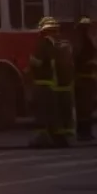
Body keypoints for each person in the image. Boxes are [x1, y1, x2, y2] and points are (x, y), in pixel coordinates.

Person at [28, 17, 61, 148]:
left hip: (42, 84)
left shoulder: (43, 44)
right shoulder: (54, 46)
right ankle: (55, 138)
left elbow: (39, 62)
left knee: (42, 113)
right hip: (52, 85)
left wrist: (30, 60)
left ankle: (43, 140)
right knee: (52, 113)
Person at [73, 17, 97, 142]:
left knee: (83, 108)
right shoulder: (84, 42)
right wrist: (92, 62)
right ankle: (84, 133)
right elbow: (82, 60)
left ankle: (83, 132)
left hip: (83, 79)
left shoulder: (80, 41)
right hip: (85, 80)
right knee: (85, 108)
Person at [53, 26, 76, 146]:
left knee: (61, 113)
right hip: (66, 86)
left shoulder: (57, 48)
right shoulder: (66, 48)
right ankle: (68, 136)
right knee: (66, 113)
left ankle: (63, 137)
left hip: (59, 87)